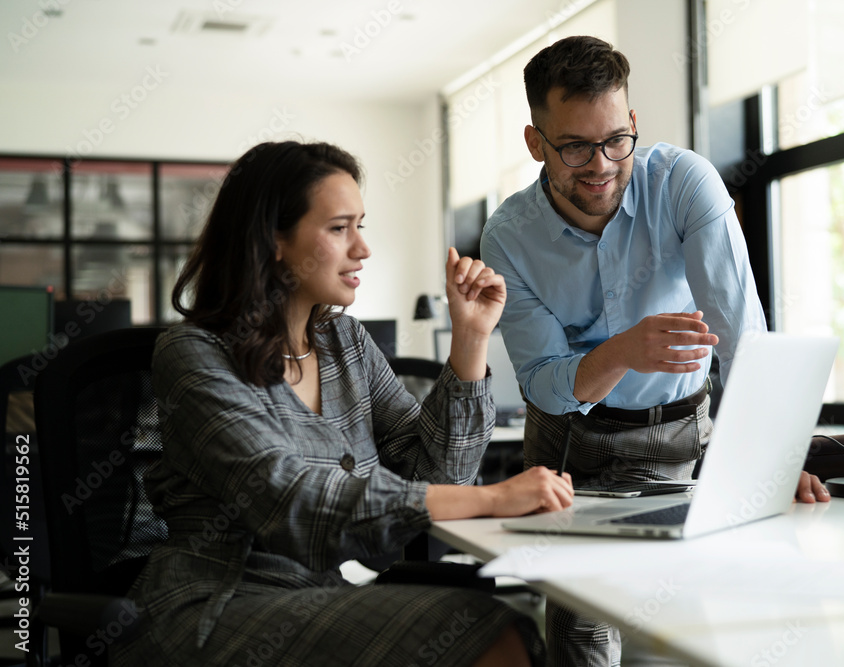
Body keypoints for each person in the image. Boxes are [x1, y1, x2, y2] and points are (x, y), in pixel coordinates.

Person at [111, 141, 574, 667]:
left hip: (324, 593)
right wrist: (494, 499)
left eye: (361, 225)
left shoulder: (344, 342)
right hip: (218, 604)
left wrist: (470, 342)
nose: (363, 249)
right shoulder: (194, 354)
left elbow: (437, 474)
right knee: (488, 629)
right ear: (274, 240)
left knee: (491, 623)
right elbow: (291, 502)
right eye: (339, 228)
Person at [479, 36, 830, 666]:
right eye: (575, 148)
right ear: (536, 144)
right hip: (572, 451)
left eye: (616, 140)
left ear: (634, 124)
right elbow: (541, 383)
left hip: (684, 435)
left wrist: (776, 457)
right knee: (586, 647)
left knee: (700, 631)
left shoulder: (683, 181)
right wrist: (622, 351)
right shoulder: (508, 236)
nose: (601, 164)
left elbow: (742, 331)